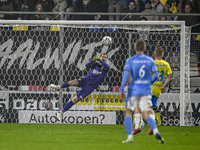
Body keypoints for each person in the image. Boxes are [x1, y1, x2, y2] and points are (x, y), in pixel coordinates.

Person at [120, 39, 164, 144]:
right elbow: (156, 75)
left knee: (128, 112)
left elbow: (126, 76)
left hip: (133, 90)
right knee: (146, 114)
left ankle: (130, 137)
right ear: (144, 49)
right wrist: (149, 82)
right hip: (146, 90)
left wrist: (122, 89)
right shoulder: (149, 60)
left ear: (135, 48)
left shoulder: (130, 60)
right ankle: (155, 131)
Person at [50, 53, 110, 121]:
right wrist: (92, 61)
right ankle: (59, 87)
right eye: (102, 57)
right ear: (100, 57)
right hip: (86, 79)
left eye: (105, 57)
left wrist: (99, 60)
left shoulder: (105, 68)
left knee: (75, 99)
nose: (103, 58)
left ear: (106, 59)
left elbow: (108, 67)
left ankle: (60, 112)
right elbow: (87, 65)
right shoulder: (96, 64)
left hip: (90, 87)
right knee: (71, 82)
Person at [133, 47, 172, 135]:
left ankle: (136, 127)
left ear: (154, 54)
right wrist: (164, 86)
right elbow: (170, 78)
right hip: (157, 90)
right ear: (163, 54)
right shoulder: (166, 64)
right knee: (150, 108)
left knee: (138, 106)